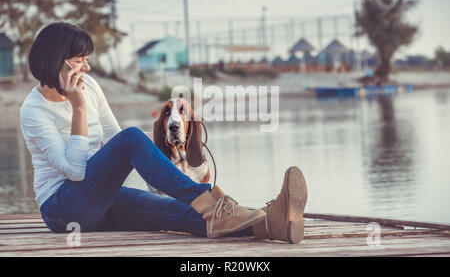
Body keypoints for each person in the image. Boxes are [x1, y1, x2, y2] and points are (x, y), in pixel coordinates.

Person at [20, 22, 308, 243]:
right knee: (133, 138)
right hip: (63, 210)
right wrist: (79, 108)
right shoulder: (34, 110)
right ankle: (212, 201)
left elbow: (115, 140)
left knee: (178, 212)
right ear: (59, 61)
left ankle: (270, 223)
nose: (88, 67)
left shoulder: (91, 86)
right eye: (81, 60)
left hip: (102, 200)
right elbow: (75, 172)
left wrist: (163, 144)